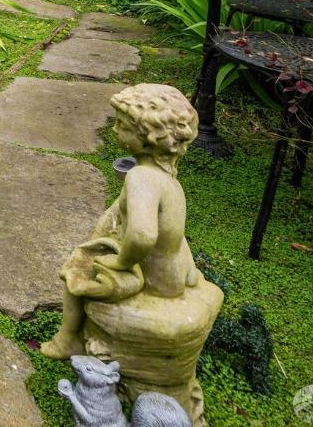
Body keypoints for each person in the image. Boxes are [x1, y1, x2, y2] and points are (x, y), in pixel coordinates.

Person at [42, 83, 203, 360]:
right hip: (173, 275)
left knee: (76, 274)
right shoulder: (170, 181)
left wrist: (121, 262)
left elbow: (142, 235)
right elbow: (175, 236)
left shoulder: (141, 178)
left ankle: (67, 339)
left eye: (122, 125)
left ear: (148, 138)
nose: (115, 129)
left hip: (148, 278)